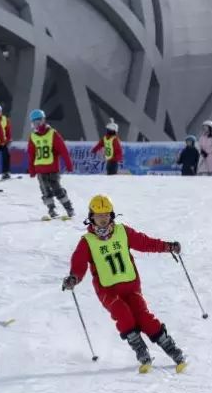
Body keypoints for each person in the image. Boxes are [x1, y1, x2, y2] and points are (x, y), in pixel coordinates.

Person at [62, 195, 187, 373]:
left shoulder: (123, 232)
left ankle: (172, 349)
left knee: (144, 317)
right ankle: (141, 352)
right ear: (91, 217)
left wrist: (167, 247)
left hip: (131, 287)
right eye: (98, 216)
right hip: (108, 291)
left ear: (111, 215)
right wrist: (73, 278)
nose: (103, 219)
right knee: (124, 314)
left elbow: (145, 243)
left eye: (106, 215)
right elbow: (79, 263)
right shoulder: (87, 242)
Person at [27, 109, 76, 220]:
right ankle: (52, 209)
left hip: (52, 169)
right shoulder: (33, 136)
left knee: (57, 189)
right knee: (45, 191)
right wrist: (31, 169)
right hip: (40, 169)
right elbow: (31, 154)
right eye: (34, 122)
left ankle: (69, 208)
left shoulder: (52, 133)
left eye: (39, 121)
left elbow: (63, 149)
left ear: (43, 120)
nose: (37, 124)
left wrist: (68, 164)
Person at [0, 103, 13, 180]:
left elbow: (8, 131)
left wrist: (8, 140)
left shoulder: (4, 119)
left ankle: (6, 172)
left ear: (1, 112)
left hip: (2, 142)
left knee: (6, 155)